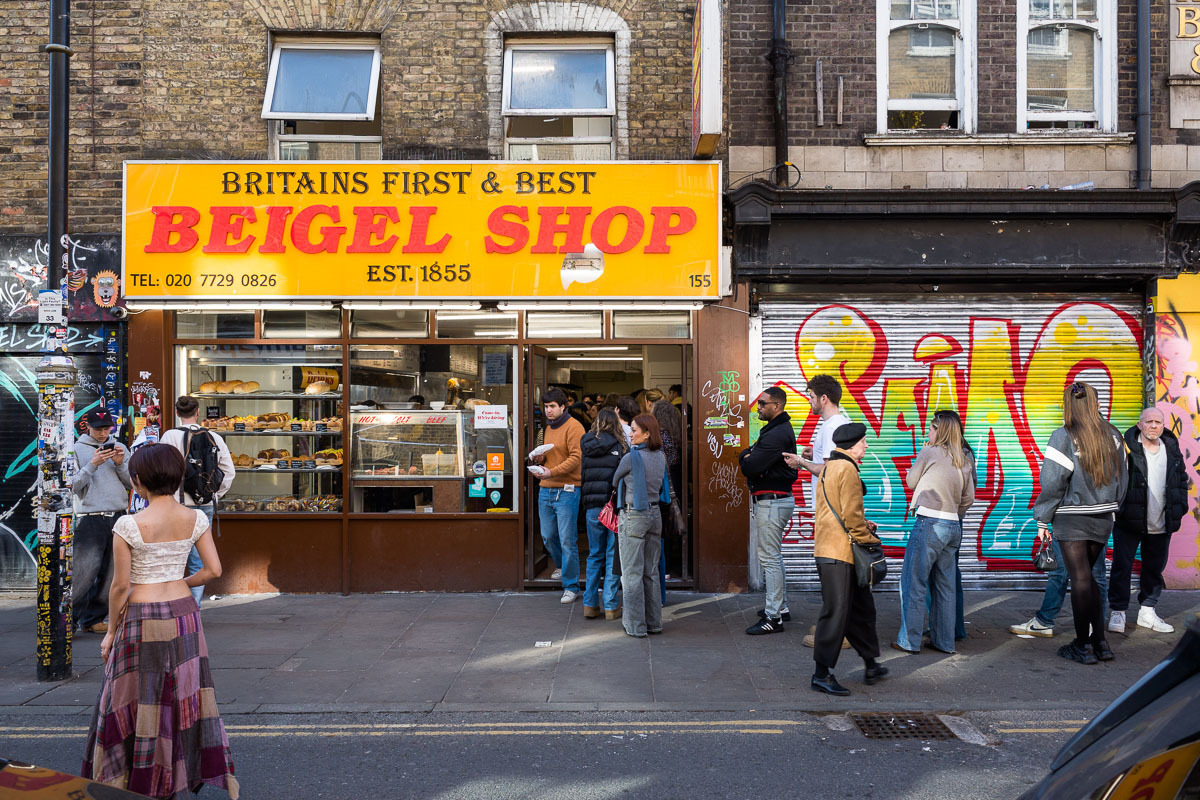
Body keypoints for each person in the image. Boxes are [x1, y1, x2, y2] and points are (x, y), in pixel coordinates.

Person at [82, 443, 238, 799]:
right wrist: (179, 582)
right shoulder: (196, 518)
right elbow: (213, 570)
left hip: (141, 618)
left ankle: (135, 780)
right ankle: (174, 777)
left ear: (137, 482)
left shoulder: (129, 524)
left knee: (132, 698)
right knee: (182, 696)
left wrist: (109, 633)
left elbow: (121, 587)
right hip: (184, 616)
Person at [1032, 382, 1127, 665]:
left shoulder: (1063, 436)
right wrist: (1113, 506)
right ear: (1095, 403)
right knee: (1091, 580)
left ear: (1069, 405)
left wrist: (1043, 517)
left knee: (1080, 579)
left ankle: (1083, 646)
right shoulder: (1112, 434)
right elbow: (1124, 477)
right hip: (1103, 518)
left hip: (1072, 517)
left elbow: (1052, 482)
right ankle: (1100, 642)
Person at [810, 422, 887, 695]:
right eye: (864, 442)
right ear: (853, 446)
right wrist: (870, 540)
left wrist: (862, 524)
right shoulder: (848, 470)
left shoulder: (830, 467)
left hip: (830, 549)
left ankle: (871, 663)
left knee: (861, 609)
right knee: (836, 613)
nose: (866, 446)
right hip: (839, 554)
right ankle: (822, 674)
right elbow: (851, 518)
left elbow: (836, 510)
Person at [895, 410, 975, 654]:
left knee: (914, 582)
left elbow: (910, 481)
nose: (927, 432)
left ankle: (908, 641)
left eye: (930, 428)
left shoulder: (929, 452)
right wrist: (953, 511)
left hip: (929, 522)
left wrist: (923, 454)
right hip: (953, 526)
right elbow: (969, 498)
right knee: (945, 587)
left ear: (939, 431)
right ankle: (944, 642)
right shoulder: (964, 458)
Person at [1108, 407, 1189, 634]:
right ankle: (1118, 611)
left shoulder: (1171, 449)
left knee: (1154, 568)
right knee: (1122, 567)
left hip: (1162, 521)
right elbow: (1113, 479)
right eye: (1149, 421)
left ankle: (1147, 611)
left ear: (1163, 425)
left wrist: (1180, 507)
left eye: (1158, 422)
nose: (1153, 425)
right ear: (1140, 424)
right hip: (1129, 520)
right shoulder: (1126, 448)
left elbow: (1181, 479)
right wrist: (1118, 509)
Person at [159, 396, 236, 607]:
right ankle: (194, 607)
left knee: (173, 555)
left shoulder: (169, 436)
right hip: (206, 506)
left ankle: (171, 603)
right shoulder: (214, 436)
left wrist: (169, 495)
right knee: (198, 559)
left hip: (178, 504)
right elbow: (229, 471)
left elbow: (163, 470)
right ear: (198, 412)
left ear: (177, 413)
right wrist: (215, 495)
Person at [739, 386, 798, 635]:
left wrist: (747, 459)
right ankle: (780, 607)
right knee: (774, 555)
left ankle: (773, 617)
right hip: (776, 500)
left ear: (777, 405)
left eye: (763, 404)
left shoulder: (776, 434)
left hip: (773, 502)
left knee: (769, 558)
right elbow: (750, 457)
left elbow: (752, 465)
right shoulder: (775, 430)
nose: (759, 408)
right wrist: (748, 456)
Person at [69, 409, 132, 635]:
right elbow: (72, 486)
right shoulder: (76, 449)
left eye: (107, 429)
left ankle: (94, 618)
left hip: (118, 516)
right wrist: (93, 464)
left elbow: (132, 482)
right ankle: (67, 621)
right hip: (91, 517)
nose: (103, 433)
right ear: (88, 427)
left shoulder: (120, 448)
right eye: (99, 429)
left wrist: (120, 464)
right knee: (84, 572)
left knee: (113, 574)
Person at [613, 414, 668, 637]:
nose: (631, 433)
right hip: (655, 514)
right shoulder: (661, 456)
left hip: (634, 514)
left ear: (647, 433)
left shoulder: (630, 458)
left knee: (631, 573)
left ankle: (635, 625)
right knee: (651, 572)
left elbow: (614, 480)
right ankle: (654, 623)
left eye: (634, 430)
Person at [530, 387, 585, 604]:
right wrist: (539, 461)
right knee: (548, 536)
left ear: (563, 406)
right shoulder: (548, 428)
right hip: (545, 488)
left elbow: (576, 458)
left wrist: (551, 472)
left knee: (567, 539)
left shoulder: (575, 427)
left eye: (552, 406)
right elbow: (550, 458)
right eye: (546, 407)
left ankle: (571, 586)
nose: (548, 411)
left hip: (568, 489)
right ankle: (563, 567)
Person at [581, 408, 627, 620]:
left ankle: (589, 604)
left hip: (592, 506)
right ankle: (610, 605)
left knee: (594, 555)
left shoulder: (586, 444)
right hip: (612, 508)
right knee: (611, 555)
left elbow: (584, 475)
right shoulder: (619, 446)